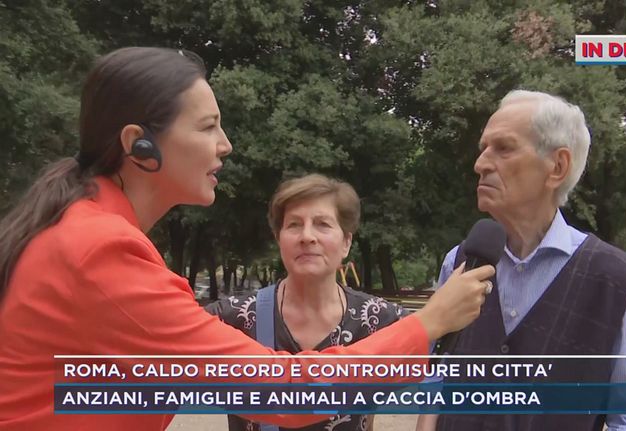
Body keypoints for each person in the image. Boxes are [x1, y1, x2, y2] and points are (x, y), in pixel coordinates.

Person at [0, 47, 495, 431]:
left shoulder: (81, 229)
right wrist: (429, 322)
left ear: (347, 241)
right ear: (139, 145)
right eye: (208, 127)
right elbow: (287, 395)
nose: (226, 145)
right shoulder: (101, 250)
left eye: (324, 225)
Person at [417, 90, 626, 431]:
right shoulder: (460, 262)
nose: (480, 164)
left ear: (557, 167)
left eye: (503, 148)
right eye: (483, 148)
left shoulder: (615, 282)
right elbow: (438, 371)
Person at [207, 173, 411, 431]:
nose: (307, 236)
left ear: (346, 242)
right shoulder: (231, 318)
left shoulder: (380, 320)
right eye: (294, 225)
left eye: (322, 224)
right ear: (278, 239)